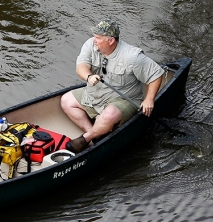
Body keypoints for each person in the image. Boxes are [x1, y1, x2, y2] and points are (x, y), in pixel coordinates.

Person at [60, 19, 165, 153]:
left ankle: (86, 138)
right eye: (94, 36)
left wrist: (149, 99)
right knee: (66, 100)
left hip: (122, 99)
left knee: (108, 115)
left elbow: (156, 74)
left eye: (98, 37)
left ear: (110, 41)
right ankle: (95, 135)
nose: (94, 40)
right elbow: (81, 65)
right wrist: (88, 76)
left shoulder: (133, 57)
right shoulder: (90, 45)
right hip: (95, 94)